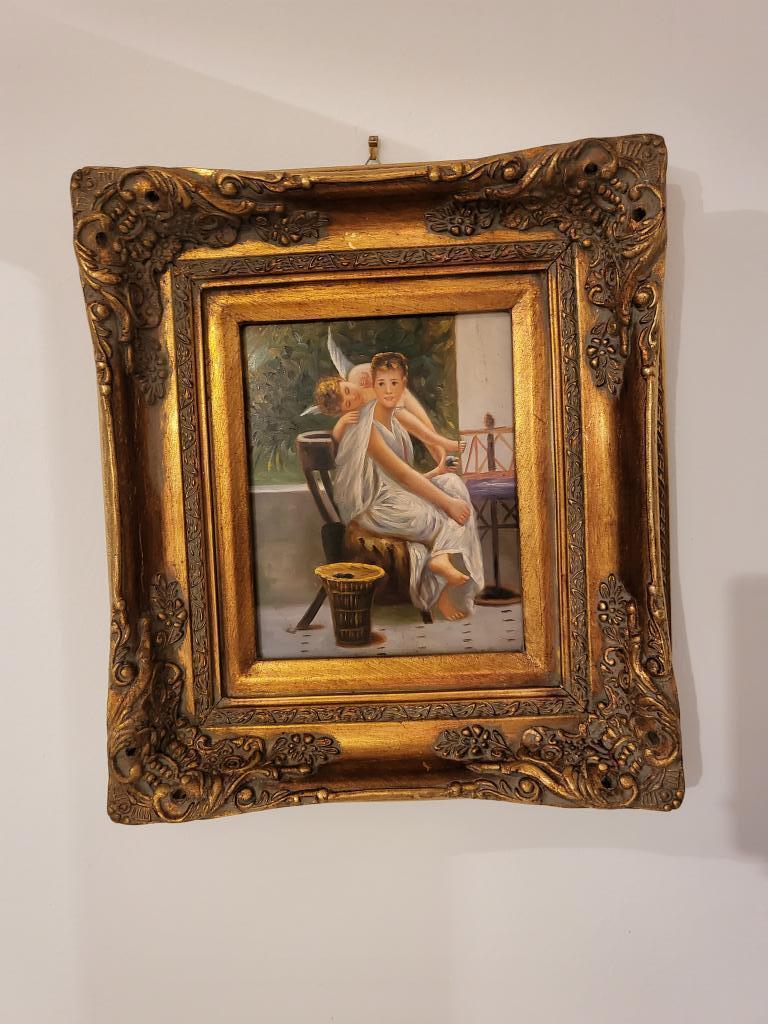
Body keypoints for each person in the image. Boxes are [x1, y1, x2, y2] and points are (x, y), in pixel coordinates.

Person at [324, 352, 484, 621]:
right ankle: (440, 578)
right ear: (373, 385)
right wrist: (447, 503)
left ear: (403, 384)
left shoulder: (394, 413)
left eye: (394, 383)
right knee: (443, 512)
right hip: (378, 507)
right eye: (382, 384)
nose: (388, 390)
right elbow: (403, 475)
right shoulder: (366, 427)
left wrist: (445, 456)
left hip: (399, 494)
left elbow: (426, 435)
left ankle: (442, 567)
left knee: (453, 484)